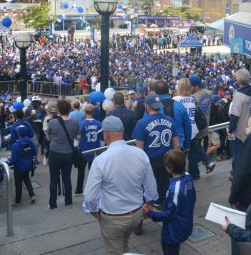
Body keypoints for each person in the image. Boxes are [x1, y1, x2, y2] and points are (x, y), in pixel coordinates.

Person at [82, 116, 158, 255]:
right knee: (124, 244)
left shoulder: (100, 160)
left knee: (115, 250)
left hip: (113, 217)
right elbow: (151, 187)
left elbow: (89, 197)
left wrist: (93, 211)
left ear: (106, 134)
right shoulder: (140, 153)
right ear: (122, 131)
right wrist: (149, 203)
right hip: (136, 214)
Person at [132, 93, 180, 235]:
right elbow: (177, 145)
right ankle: (169, 222)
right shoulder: (170, 120)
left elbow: (139, 149)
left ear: (147, 107)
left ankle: (139, 224)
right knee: (165, 194)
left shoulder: (142, 123)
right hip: (167, 161)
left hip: (149, 163)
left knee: (143, 195)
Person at [144, 150, 196, 255]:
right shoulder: (188, 176)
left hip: (174, 230)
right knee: (164, 243)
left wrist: (149, 213)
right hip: (184, 223)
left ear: (169, 167)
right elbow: (193, 198)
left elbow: (169, 214)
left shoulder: (175, 189)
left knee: (170, 249)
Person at [175, 78, 214, 180]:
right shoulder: (196, 97)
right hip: (196, 128)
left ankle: (183, 176)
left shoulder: (178, 99)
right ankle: (200, 169)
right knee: (194, 152)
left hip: (185, 131)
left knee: (184, 155)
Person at [46, 99, 80, 209]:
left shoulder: (52, 122)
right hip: (68, 154)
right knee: (67, 177)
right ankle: (68, 201)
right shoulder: (75, 122)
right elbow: (78, 137)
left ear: (59, 110)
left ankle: (52, 203)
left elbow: (48, 138)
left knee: (53, 178)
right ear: (69, 109)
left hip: (54, 153)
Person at [227, 69, 251, 172]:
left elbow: (234, 115)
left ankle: (237, 177)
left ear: (238, 80)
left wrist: (230, 130)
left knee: (238, 157)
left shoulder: (238, 95)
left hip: (240, 131)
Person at [155, 80, 191, 153]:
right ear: (168, 90)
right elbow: (188, 127)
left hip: (158, 149)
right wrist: (187, 146)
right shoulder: (179, 105)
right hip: (178, 147)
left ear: (155, 92)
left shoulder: (151, 108)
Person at [76, 104, 101, 195]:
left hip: (84, 150)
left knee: (81, 170)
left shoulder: (81, 124)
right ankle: (93, 188)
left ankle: (79, 188)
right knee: (93, 172)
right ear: (93, 112)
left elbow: (78, 137)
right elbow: (101, 137)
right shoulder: (99, 123)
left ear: (85, 112)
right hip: (95, 150)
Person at [10, 125, 37, 205]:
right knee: (27, 179)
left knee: (18, 184)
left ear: (18, 134)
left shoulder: (15, 145)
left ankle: (17, 201)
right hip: (28, 165)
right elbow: (35, 152)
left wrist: (9, 161)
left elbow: (13, 161)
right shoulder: (30, 141)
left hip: (18, 168)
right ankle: (32, 195)